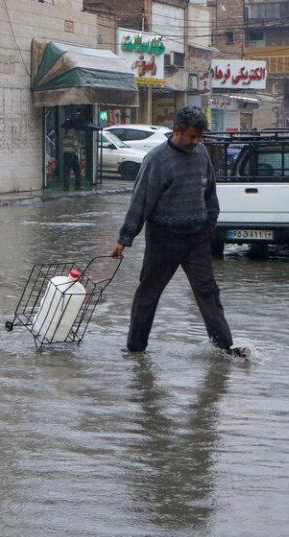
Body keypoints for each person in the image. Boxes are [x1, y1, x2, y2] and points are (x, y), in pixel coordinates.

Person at [111, 106, 248, 358]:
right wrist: (125, 238)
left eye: (199, 138)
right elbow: (140, 201)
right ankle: (135, 348)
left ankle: (224, 347)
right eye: (192, 137)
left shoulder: (202, 153)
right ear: (177, 131)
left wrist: (210, 222)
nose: (196, 142)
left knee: (208, 292)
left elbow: (210, 194)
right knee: (148, 293)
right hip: (163, 238)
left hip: (196, 238)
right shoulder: (157, 160)